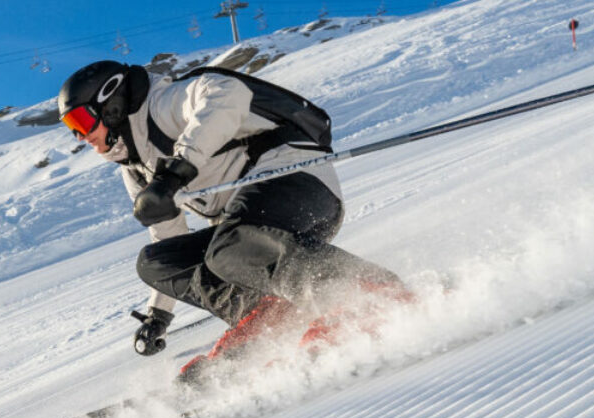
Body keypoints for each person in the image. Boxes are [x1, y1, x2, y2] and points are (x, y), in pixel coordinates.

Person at [56, 60, 407, 382]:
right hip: (252, 236)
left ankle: (364, 295)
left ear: (112, 105)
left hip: (301, 185)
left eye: (83, 122)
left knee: (228, 247)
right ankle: (267, 313)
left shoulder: (164, 104)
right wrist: (157, 316)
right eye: (72, 129)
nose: (82, 137)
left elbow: (228, 92)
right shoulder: (135, 168)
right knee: (157, 261)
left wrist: (178, 170)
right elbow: (167, 234)